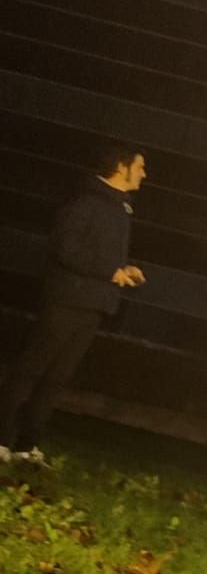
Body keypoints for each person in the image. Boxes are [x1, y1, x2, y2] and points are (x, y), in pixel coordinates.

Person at [0, 144, 147, 465]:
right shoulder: (87, 203)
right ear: (121, 167)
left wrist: (124, 270)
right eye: (139, 167)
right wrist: (111, 272)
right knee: (31, 369)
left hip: (92, 304)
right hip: (66, 301)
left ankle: (27, 445)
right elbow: (66, 248)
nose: (143, 174)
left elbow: (95, 253)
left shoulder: (119, 208)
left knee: (57, 376)